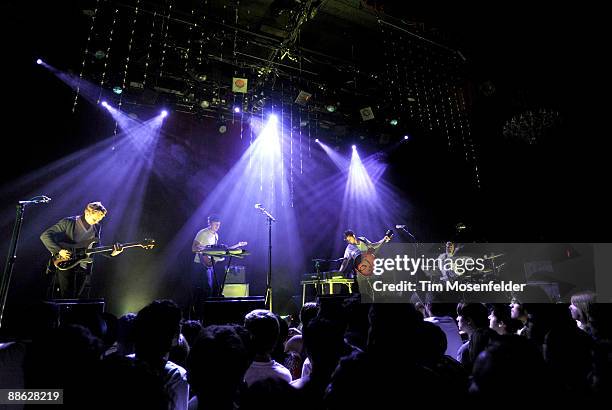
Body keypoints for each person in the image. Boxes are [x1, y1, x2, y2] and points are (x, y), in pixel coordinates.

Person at [40, 201, 123, 299]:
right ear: (87, 212)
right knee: (66, 298)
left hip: (83, 266)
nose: (96, 221)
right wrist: (59, 251)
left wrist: (113, 252)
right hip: (67, 262)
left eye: (98, 220)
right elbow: (45, 236)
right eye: (94, 219)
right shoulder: (69, 222)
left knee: (76, 299)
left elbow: (95, 247)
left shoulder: (97, 227)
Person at [191, 214, 246, 304]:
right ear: (210, 223)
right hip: (200, 265)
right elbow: (193, 248)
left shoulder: (216, 235)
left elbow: (221, 251)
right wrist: (204, 249)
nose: (217, 226)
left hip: (210, 265)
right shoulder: (203, 233)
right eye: (215, 224)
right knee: (206, 289)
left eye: (219, 225)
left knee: (212, 289)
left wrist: (238, 245)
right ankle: (202, 312)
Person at [339, 229, 390, 300]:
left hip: (371, 267)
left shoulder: (362, 239)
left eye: (348, 239)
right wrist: (339, 272)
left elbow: (373, 245)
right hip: (360, 271)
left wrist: (384, 239)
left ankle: (376, 305)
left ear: (353, 236)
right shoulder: (349, 248)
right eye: (346, 240)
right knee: (364, 292)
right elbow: (345, 262)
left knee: (376, 288)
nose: (348, 241)